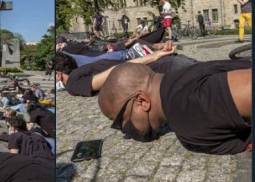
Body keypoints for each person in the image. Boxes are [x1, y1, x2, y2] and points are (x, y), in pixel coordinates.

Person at [98, 60, 251, 155]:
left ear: (141, 101)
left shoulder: (188, 108)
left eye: (120, 122)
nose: (125, 131)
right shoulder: (177, 80)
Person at [56, 41, 182, 96]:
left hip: (164, 69)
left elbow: (116, 71)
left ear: (58, 74)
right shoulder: (82, 71)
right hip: (165, 67)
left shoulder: (73, 82)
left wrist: (153, 56)